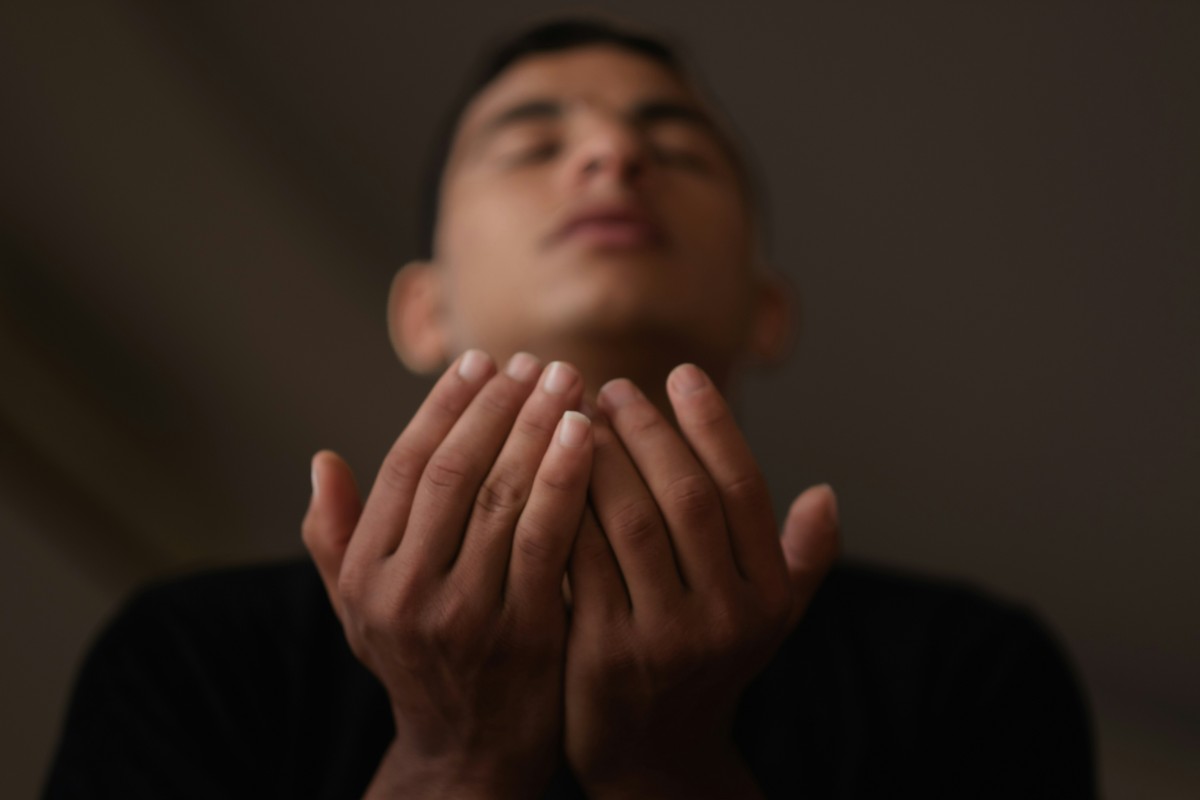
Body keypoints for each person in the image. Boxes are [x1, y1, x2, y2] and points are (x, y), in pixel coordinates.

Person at [44, 17, 1096, 799]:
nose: (613, 156)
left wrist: (666, 768)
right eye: (533, 142)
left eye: (676, 148)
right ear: (423, 308)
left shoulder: (970, 669)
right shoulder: (194, 654)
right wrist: (454, 758)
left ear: (766, 310)